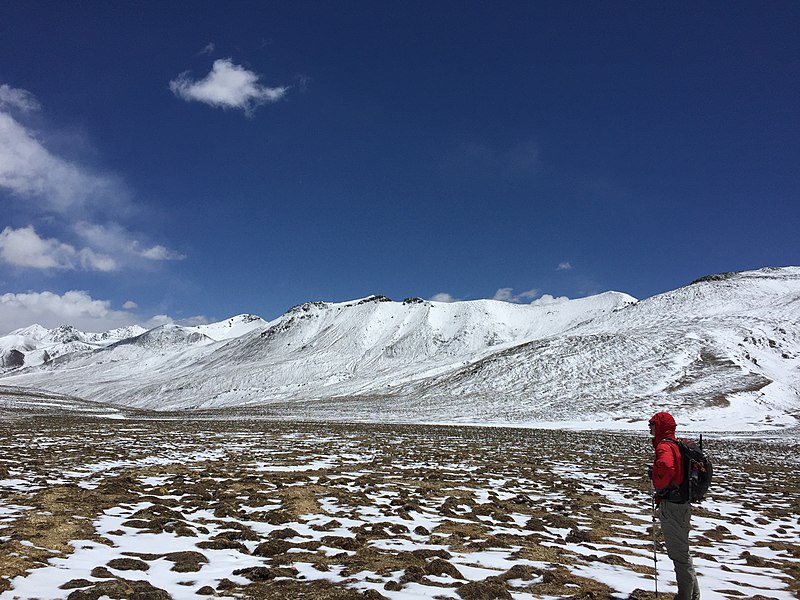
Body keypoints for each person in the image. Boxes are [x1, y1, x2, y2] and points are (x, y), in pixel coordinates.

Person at [649, 411, 701, 600]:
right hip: (681, 504)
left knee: (679, 555)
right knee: (683, 553)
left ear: (660, 426)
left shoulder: (664, 446)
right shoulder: (675, 444)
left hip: (672, 507)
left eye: (652, 425)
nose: (650, 429)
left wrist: (656, 477)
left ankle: (686, 597)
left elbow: (667, 468)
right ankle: (692, 595)